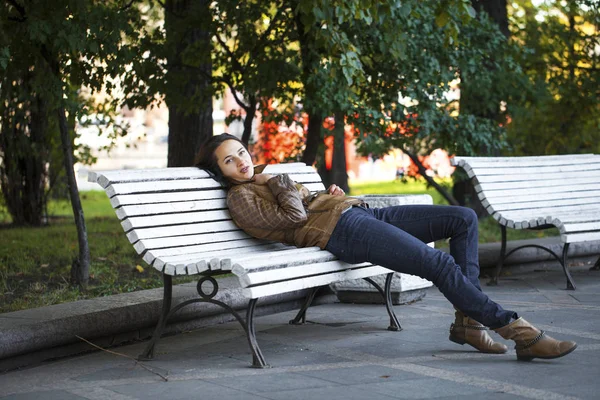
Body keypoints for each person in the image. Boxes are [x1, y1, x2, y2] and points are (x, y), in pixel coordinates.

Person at [195, 133, 577, 361]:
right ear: (221, 172)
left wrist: (327, 194)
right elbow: (292, 221)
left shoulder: (264, 179)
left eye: (241, 152)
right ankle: (518, 332)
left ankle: (469, 323)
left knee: (463, 218)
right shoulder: (241, 198)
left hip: (358, 214)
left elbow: (302, 204)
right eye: (229, 161)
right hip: (342, 233)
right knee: (438, 264)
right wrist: (285, 186)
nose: (241, 162)